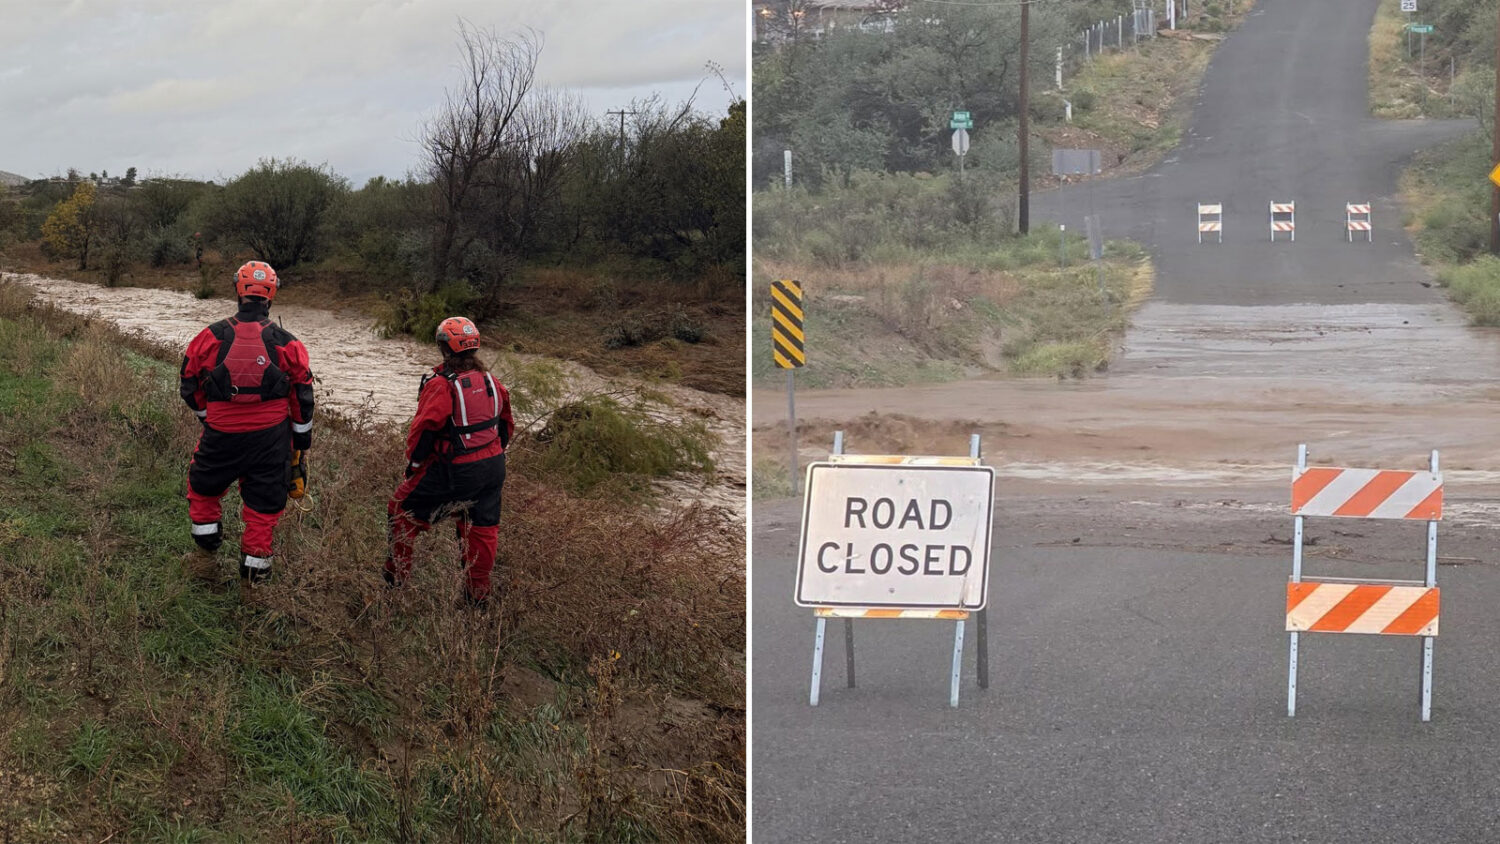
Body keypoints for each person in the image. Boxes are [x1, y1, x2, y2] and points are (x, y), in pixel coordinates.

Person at [178, 260, 315, 582]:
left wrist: (208, 417)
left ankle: (205, 554)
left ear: (237, 291)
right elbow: (303, 398)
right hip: (271, 440)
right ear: (272, 295)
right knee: (264, 505)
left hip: (221, 434)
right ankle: (254, 581)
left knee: (203, 489)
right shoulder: (288, 342)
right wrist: (300, 443)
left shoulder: (208, 337)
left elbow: (188, 384)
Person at [385, 316, 513, 606]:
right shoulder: (494, 382)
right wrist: (492, 455)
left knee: (401, 512)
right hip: (493, 469)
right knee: (482, 529)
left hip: (454, 470)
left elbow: (423, 431)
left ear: (444, 348)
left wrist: (414, 466)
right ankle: (477, 598)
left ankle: (396, 583)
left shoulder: (442, 385)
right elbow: (506, 427)